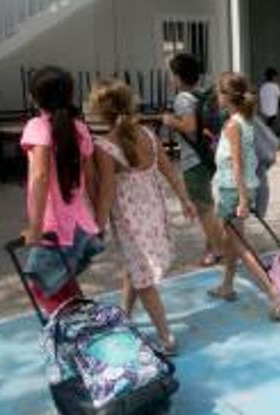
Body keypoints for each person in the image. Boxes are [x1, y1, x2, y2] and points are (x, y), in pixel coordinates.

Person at [90, 79, 197, 355]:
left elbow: (106, 193)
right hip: (154, 216)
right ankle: (123, 317)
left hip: (130, 223)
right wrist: (185, 200)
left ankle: (166, 337)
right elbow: (169, 171)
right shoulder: (149, 135)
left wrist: (98, 227)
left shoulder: (104, 146)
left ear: (101, 112)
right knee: (136, 269)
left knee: (144, 278)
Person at [209, 72, 280, 321]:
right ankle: (227, 285)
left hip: (233, 190)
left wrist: (242, 199)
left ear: (225, 96)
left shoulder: (233, 125)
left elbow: (238, 165)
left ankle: (275, 294)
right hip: (241, 188)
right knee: (234, 240)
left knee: (240, 246)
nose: (216, 98)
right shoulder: (246, 119)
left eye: (218, 93)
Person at [21, 67, 99, 252]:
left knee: (41, 279)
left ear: (34, 98)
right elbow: (90, 177)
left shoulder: (37, 127)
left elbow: (40, 175)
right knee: (61, 279)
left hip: (51, 227)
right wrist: (97, 216)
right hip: (79, 224)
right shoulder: (80, 128)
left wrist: (36, 227)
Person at [162, 53, 223, 267]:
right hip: (208, 156)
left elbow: (190, 127)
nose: (170, 78)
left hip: (193, 160)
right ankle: (213, 246)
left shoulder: (182, 98)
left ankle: (217, 250)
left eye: (171, 74)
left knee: (204, 208)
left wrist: (170, 121)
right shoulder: (201, 93)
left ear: (178, 76)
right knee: (209, 206)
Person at [259, 68, 280, 133]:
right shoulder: (275, 86)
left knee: (266, 130)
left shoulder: (262, 87)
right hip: (273, 112)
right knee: (273, 130)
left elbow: (260, 99)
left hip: (263, 113)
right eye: (276, 77)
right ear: (274, 77)